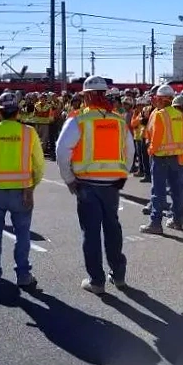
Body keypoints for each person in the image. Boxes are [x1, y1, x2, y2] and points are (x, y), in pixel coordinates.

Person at [57, 76, 133, 293]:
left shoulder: (78, 119)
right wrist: (121, 173)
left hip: (87, 183)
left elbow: (62, 151)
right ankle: (118, 275)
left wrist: (69, 179)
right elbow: (131, 151)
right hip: (112, 185)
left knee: (91, 233)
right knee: (113, 229)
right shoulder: (118, 119)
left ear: (86, 95)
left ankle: (96, 281)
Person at [0, 91, 45, 287]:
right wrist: (32, 186)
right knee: (22, 234)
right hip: (22, 192)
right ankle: (23, 275)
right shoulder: (28, 132)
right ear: (18, 111)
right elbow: (39, 164)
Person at [142, 86, 183, 234]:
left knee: (158, 192)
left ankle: (155, 223)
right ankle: (177, 220)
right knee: (176, 190)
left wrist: (150, 150)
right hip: (175, 157)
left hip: (160, 157)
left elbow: (156, 137)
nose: (156, 100)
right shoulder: (179, 114)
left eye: (157, 98)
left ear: (162, 99)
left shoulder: (160, 114)